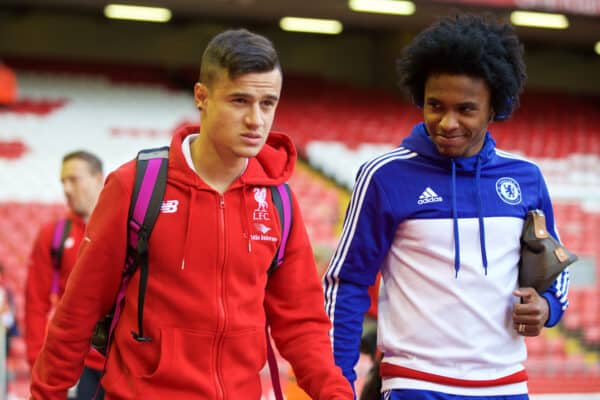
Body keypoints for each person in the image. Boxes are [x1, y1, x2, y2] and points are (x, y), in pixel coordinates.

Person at [30, 28, 353, 400]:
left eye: (268, 103)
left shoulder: (278, 199)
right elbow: (78, 312)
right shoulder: (136, 185)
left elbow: (301, 325)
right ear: (202, 97)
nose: (256, 119)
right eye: (239, 101)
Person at [323, 13, 570, 400]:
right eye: (435, 105)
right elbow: (347, 284)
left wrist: (548, 306)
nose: (447, 122)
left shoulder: (526, 178)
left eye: (466, 109)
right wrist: (337, 385)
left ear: (494, 108)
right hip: (415, 384)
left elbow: (556, 268)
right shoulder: (384, 177)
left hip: (506, 385)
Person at [25, 150, 105, 399]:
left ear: (98, 179)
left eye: (74, 179)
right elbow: (35, 303)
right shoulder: (53, 235)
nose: (67, 189)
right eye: (63, 182)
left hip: (125, 362)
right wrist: (37, 360)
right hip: (79, 364)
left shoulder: (129, 228)